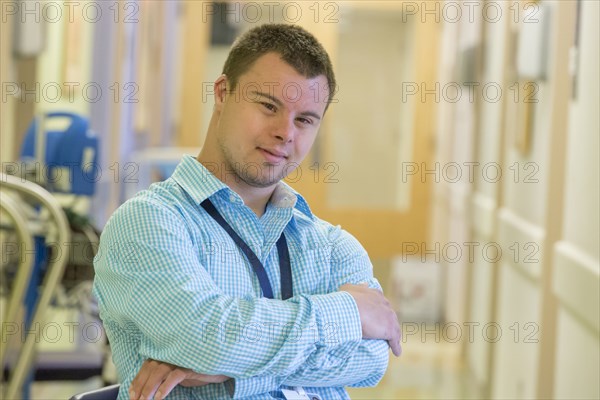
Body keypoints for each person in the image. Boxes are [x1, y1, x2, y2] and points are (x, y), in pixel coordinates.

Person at [93, 23, 401, 400]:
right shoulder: (147, 223)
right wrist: (347, 312)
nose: (285, 132)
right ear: (223, 93)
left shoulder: (332, 246)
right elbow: (205, 338)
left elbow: (371, 360)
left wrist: (232, 372)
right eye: (269, 106)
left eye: (304, 119)